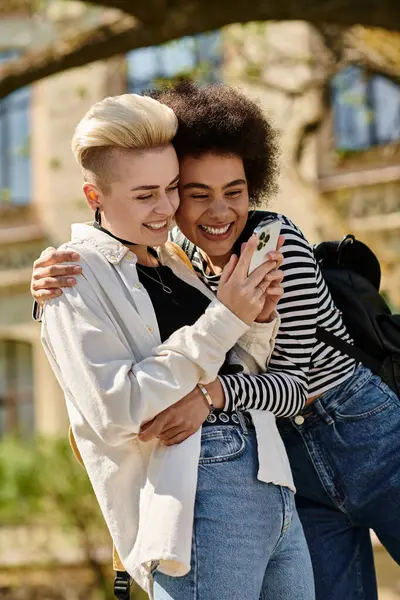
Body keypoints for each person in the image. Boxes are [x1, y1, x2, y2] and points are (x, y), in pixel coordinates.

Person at [32, 81, 400, 600]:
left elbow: (284, 382)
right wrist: (48, 287)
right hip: (273, 457)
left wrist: (212, 394)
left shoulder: (271, 246)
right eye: (195, 192)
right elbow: (118, 369)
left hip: (356, 428)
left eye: (235, 191)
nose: (218, 211)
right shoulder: (172, 255)